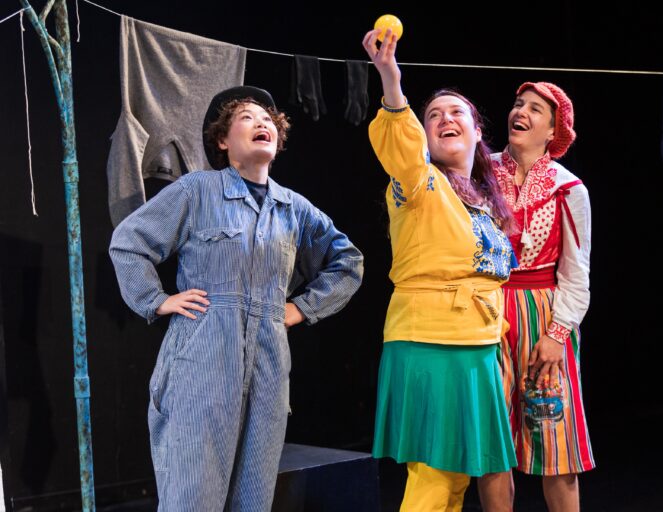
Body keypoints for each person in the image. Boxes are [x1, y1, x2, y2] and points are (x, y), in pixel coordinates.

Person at [109, 86, 364, 511]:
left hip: (267, 368)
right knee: (192, 498)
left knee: (253, 500)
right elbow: (129, 242)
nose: (262, 122)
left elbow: (348, 261)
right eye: (247, 117)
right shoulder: (197, 190)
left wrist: (302, 307)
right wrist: (155, 299)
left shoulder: (294, 209)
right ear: (223, 141)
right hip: (201, 362)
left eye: (268, 118)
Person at [363, 29, 518, 511]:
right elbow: (400, 146)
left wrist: (500, 346)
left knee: (455, 480)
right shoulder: (419, 181)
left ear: (477, 133)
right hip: (433, 339)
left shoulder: (487, 202)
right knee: (435, 475)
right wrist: (391, 80)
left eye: (458, 114)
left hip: (477, 342)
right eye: (434, 116)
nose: (445, 119)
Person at [491, 82, 595, 511]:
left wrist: (557, 333)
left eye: (536, 109)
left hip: (541, 313)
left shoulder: (567, 188)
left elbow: (576, 271)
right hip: (488, 311)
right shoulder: (479, 174)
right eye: (519, 104)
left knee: (554, 438)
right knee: (491, 445)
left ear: (553, 130)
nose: (522, 112)